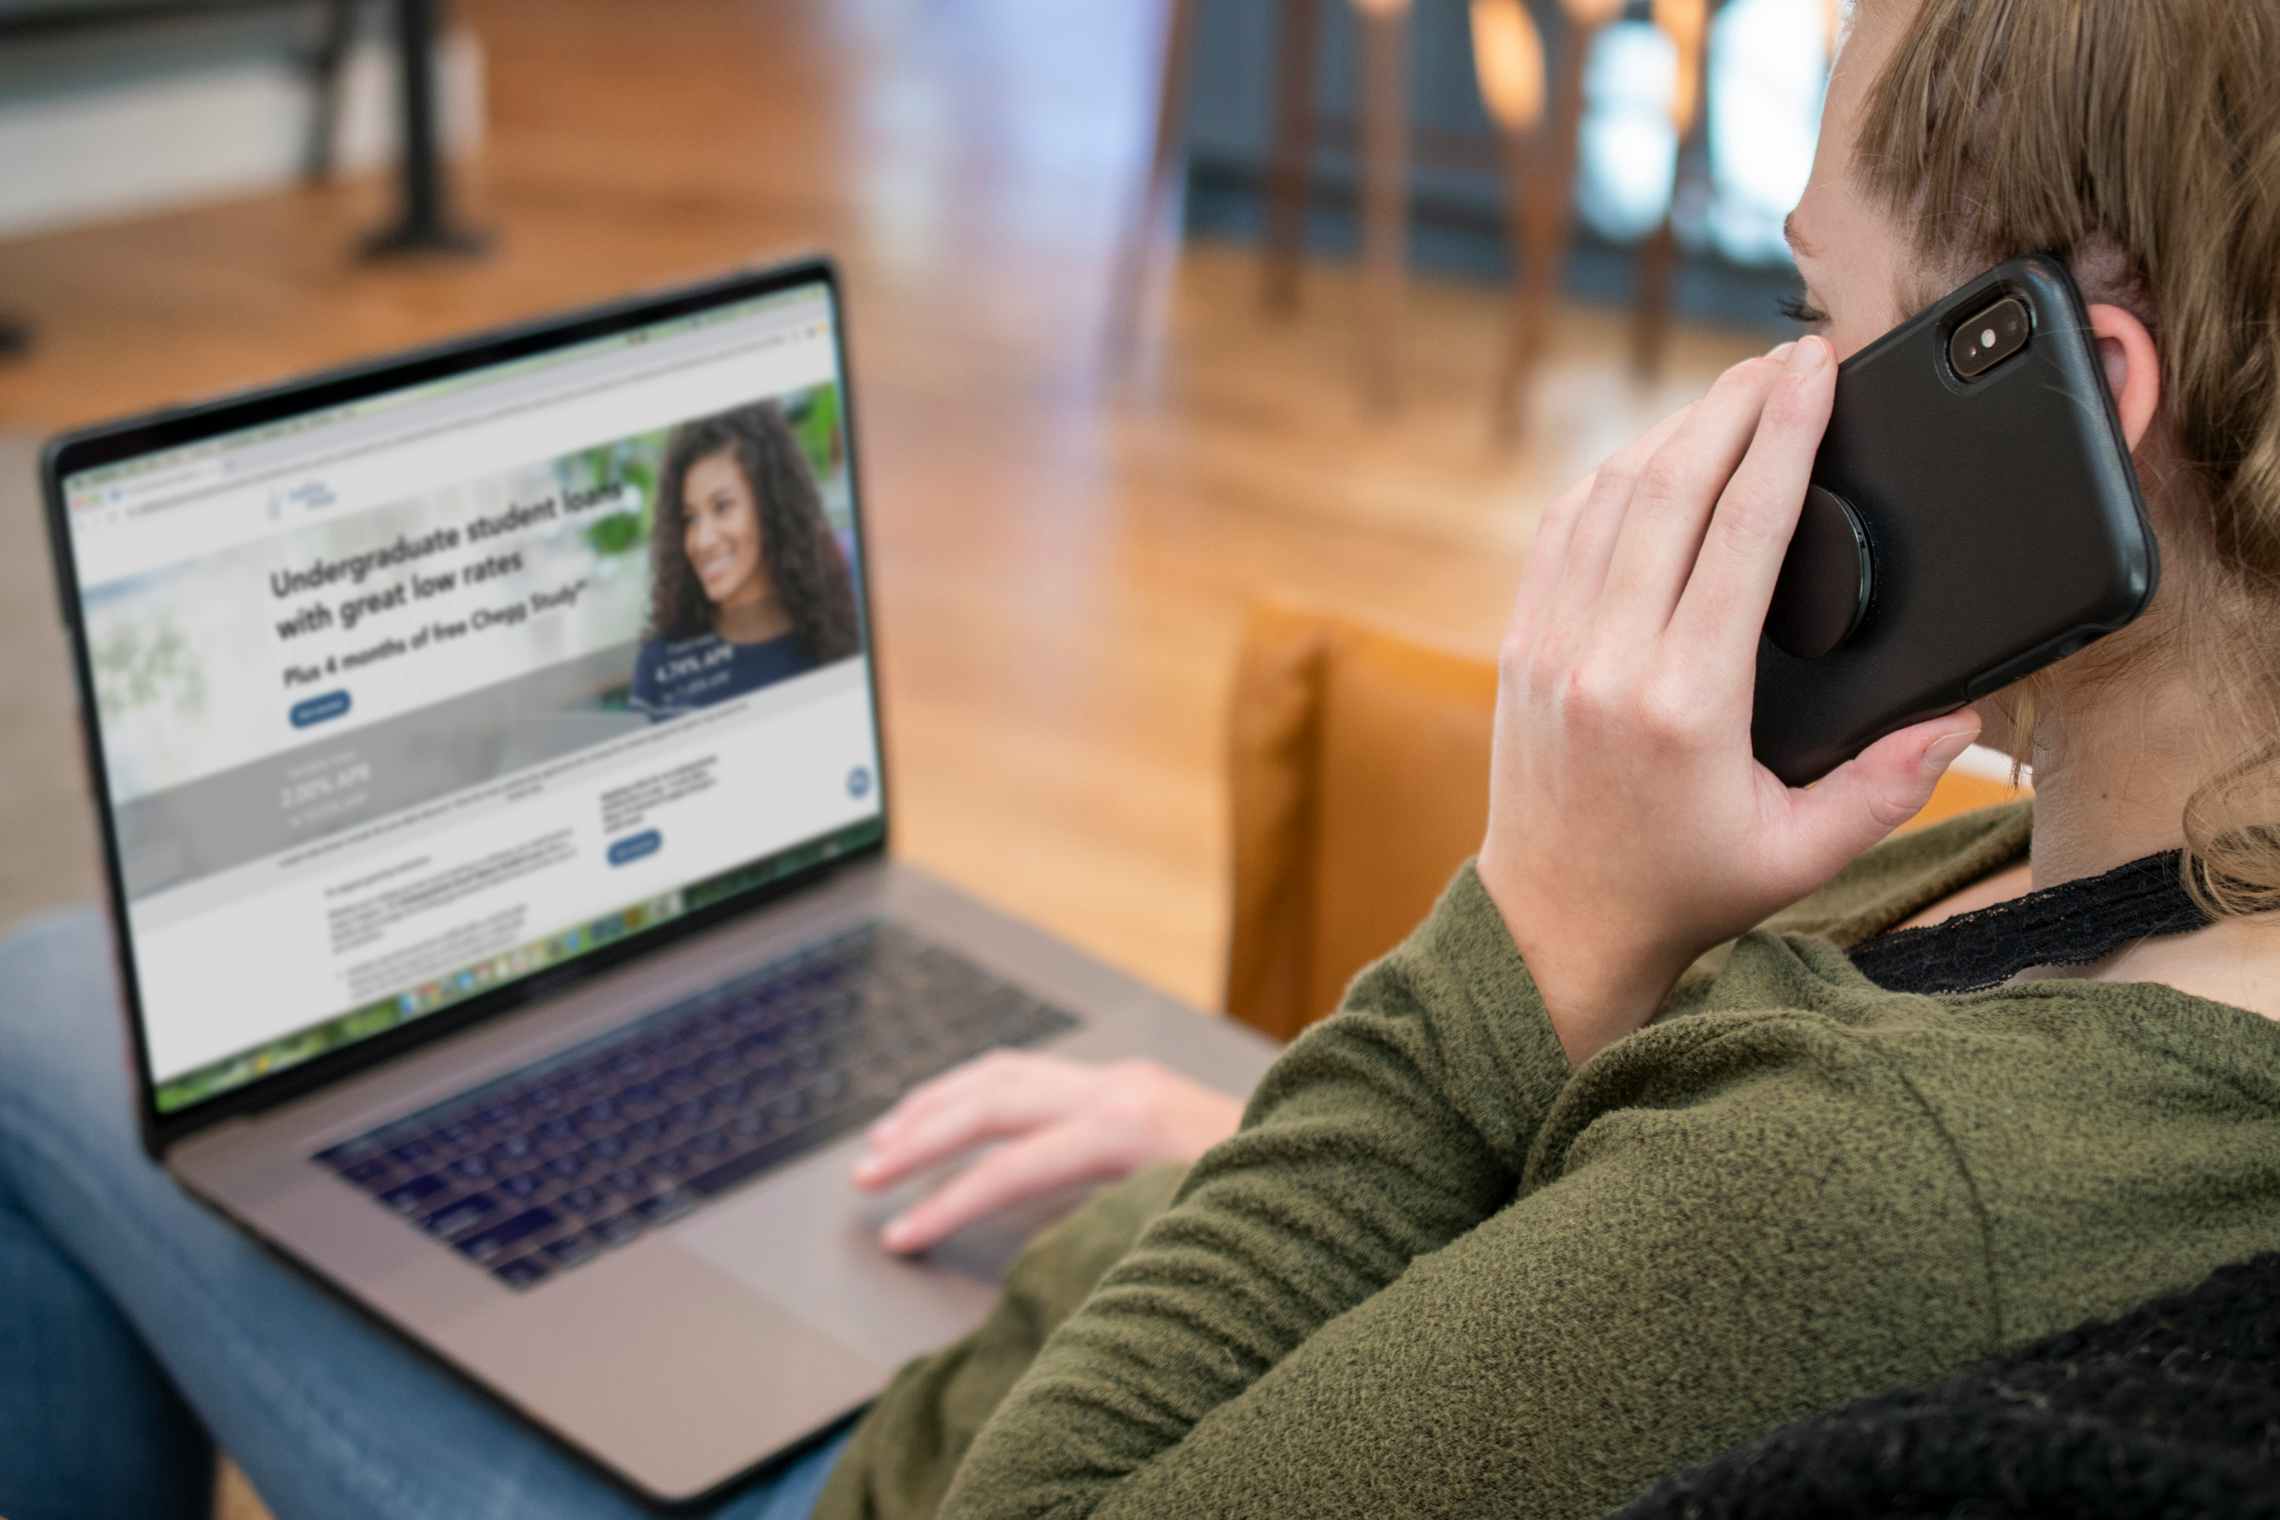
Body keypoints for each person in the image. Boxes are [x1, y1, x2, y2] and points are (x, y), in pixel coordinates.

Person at [3, 0, 2277, 1515]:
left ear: (2064, 391)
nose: (1756, 397)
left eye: (1813, 311)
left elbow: (1742, 1232)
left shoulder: (1880, 1192)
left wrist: (1542, 921)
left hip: (925, 1465)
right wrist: (1251, 1150)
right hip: (1145, 1289)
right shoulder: (2153, 875)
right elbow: (1612, 1271)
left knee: (29, 1013)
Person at [629, 401, 862, 718]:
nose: (702, 540)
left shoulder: (839, 635)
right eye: (690, 518)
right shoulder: (662, 664)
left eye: (722, 507)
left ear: (770, 505)